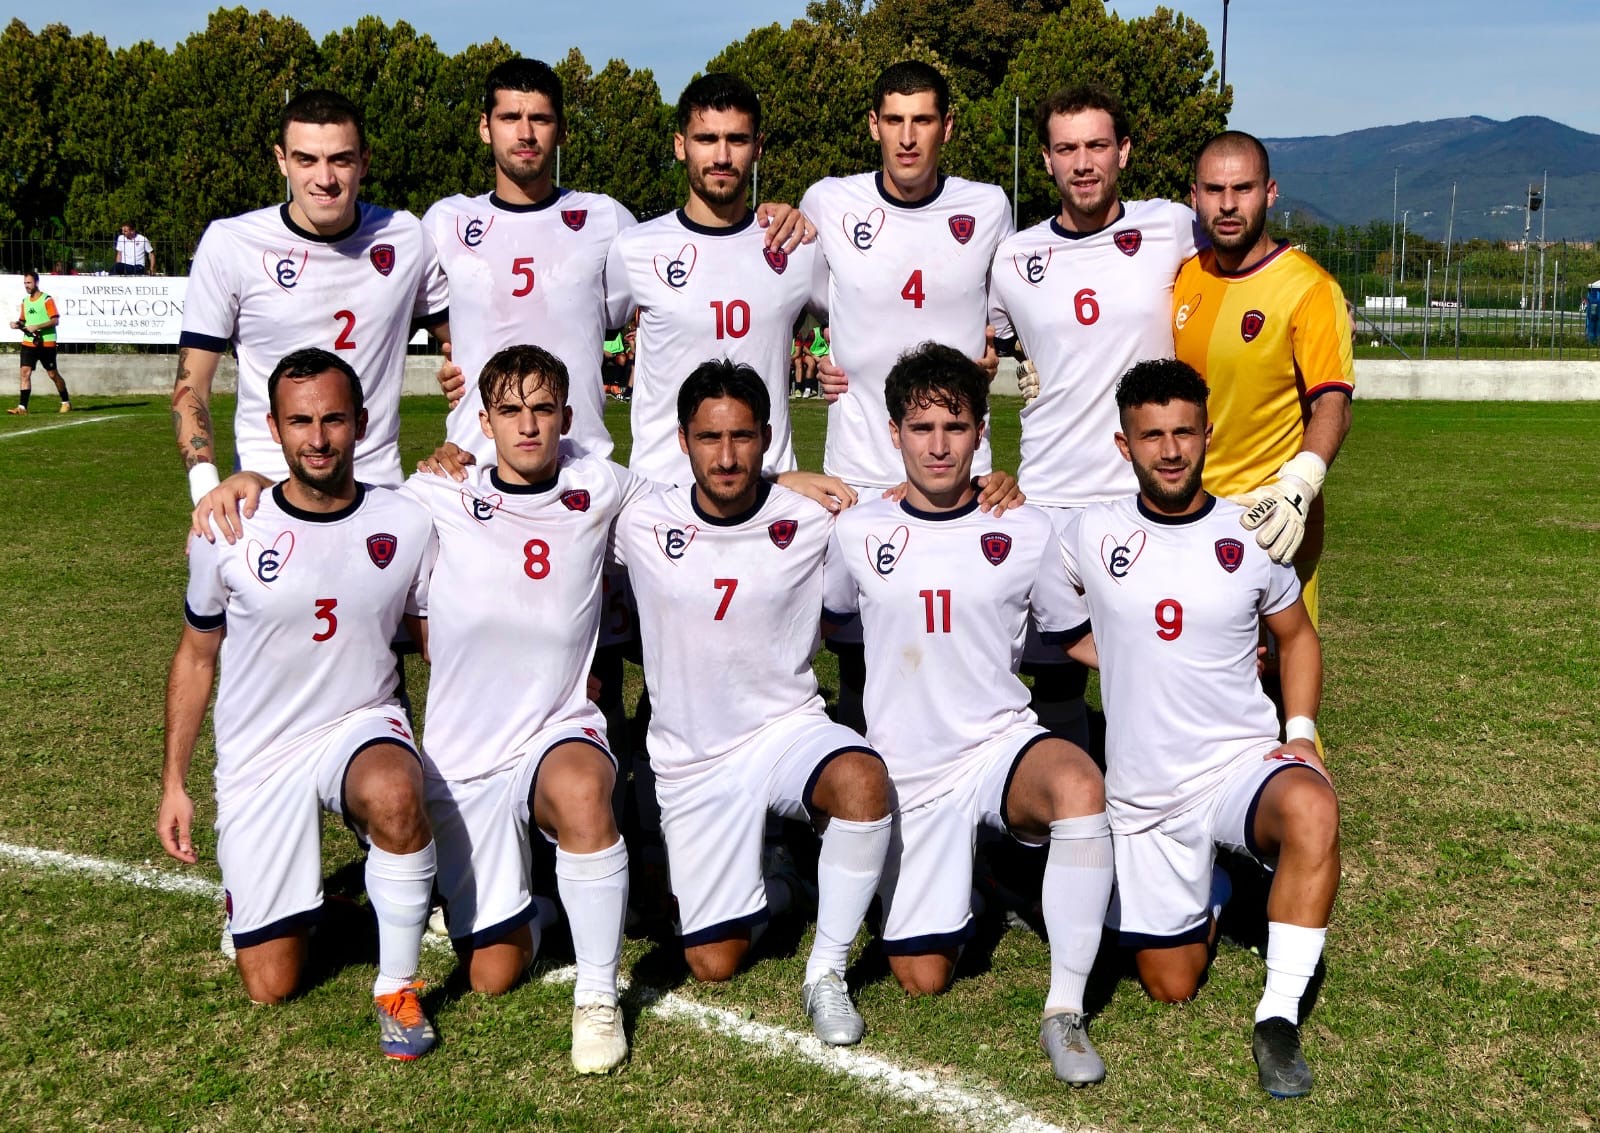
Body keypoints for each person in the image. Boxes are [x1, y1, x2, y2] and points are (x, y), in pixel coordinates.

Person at [820, 343, 1114, 1086]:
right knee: (922, 978)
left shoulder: (1026, 528)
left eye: (955, 426)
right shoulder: (857, 531)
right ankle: (980, 883)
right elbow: (830, 616)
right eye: (921, 428)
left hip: (996, 744)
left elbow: (1072, 634)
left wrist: (1172, 660)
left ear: (981, 431)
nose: (939, 445)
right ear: (894, 433)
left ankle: (1065, 1010)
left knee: (1080, 785)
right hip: (908, 769)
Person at [1056, 358, 1340, 1098]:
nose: (1171, 450)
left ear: (1208, 434)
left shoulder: (1247, 530)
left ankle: (1277, 1018)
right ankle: (1219, 882)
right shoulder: (1090, 531)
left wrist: (1300, 732)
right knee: (1171, 984)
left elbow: (1296, 639)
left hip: (1239, 763)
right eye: (1152, 436)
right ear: (1124, 445)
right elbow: (1058, 627)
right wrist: (1130, 654)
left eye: (1185, 432)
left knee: (1312, 806)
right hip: (1148, 791)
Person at [157, 348, 440, 1060]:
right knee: (271, 985)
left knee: (396, 793)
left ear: (362, 423)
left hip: (359, 723)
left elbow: (435, 640)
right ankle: (297, 906)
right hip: (261, 755)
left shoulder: (407, 521)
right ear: (274, 429)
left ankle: (397, 989)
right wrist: (175, 783)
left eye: (334, 420)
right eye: (301, 422)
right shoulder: (227, 529)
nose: (318, 438)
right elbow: (195, 656)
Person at [611, 361, 892, 1047]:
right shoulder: (639, 519)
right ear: (682, 440)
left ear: (767, 437)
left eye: (742, 436)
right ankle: (790, 877)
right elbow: (545, 491)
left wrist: (993, 485)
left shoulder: (812, 518)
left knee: (861, 780)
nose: (727, 456)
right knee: (713, 963)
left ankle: (826, 972)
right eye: (710, 438)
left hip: (784, 729)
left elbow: (914, 510)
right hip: (693, 760)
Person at [403, 345, 641, 1073]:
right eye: (510, 410)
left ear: (566, 416)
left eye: (542, 409)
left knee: (582, 788)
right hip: (465, 754)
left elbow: (704, 499)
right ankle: (551, 906)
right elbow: (345, 518)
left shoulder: (600, 484)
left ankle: (598, 999)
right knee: (491, 973)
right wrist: (247, 484)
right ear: (484, 422)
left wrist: (788, 481)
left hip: (557, 726)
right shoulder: (437, 491)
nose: (528, 425)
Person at [798, 60, 1014, 728]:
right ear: (874, 125)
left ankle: (968, 773)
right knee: (859, 653)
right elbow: (792, 302)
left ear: (947, 127)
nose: (908, 137)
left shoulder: (987, 207)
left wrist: (993, 352)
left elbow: (1005, 316)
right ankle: (859, 778)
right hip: (860, 468)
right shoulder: (828, 202)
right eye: (894, 120)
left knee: (961, 645)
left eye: (922, 120)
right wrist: (811, 356)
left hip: (958, 469)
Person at [988, 84, 1200, 745]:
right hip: (1050, 496)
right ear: (1046, 160)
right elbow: (979, 345)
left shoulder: (1171, 226)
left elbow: (1244, 260)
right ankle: (1070, 804)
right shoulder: (1012, 257)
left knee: (1163, 672)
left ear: (1124, 152)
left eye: (1097, 146)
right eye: (1067, 149)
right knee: (1054, 680)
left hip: (1148, 495)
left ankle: (1160, 798)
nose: (1083, 163)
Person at [174, 89, 450, 503]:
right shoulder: (230, 243)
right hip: (264, 497)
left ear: (364, 161)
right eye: (306, 160)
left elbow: (467, 350)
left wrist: (460, 431)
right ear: (281, 160)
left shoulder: (407, 236)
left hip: (378, 496)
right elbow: (191, 386)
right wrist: (205, 492)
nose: (325, 178)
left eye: (341, 159)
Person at [1173, 130, 1354, 624]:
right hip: (1188, 521)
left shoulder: (1310, 289)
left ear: (1270, 193)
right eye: (1214, 190)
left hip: (1271, 526)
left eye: (1243, 188)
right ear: (1194, 197)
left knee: (1280, 666)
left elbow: (1333, 405)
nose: (1228, 204)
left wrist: (1298, 488)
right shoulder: (1186, 276)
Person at [604, 72, 819, 485]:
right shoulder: (634, 248)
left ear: (758, 147)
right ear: (680, 145)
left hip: (767, 491)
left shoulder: (796, 246)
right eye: (706, 139)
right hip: (663, 494)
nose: (722, 156)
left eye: (737, 140)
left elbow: (864, 320)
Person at [423, 58, 636, 464]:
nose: (525, 134)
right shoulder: (445, 221)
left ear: (562, 130)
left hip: (580, 465)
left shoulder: (607, 218)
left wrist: (758, 220)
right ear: (485, 127)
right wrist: (458, 349)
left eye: (540, 119)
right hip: (474, 465)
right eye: (510, 118)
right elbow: (413, 305)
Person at [9, 270, 71, 415]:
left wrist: (37, 326)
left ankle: (66, 401)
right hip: (29, 342)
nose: (27, 285)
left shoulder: (46, 299)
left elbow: (55, 320)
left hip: (46, 343)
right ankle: (22, 407)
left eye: (29, 282)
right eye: (25, 283)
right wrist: (17, 324)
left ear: (36, 282)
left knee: (52, 374)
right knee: (25, 372)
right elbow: (23, 321)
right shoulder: (25, 301)